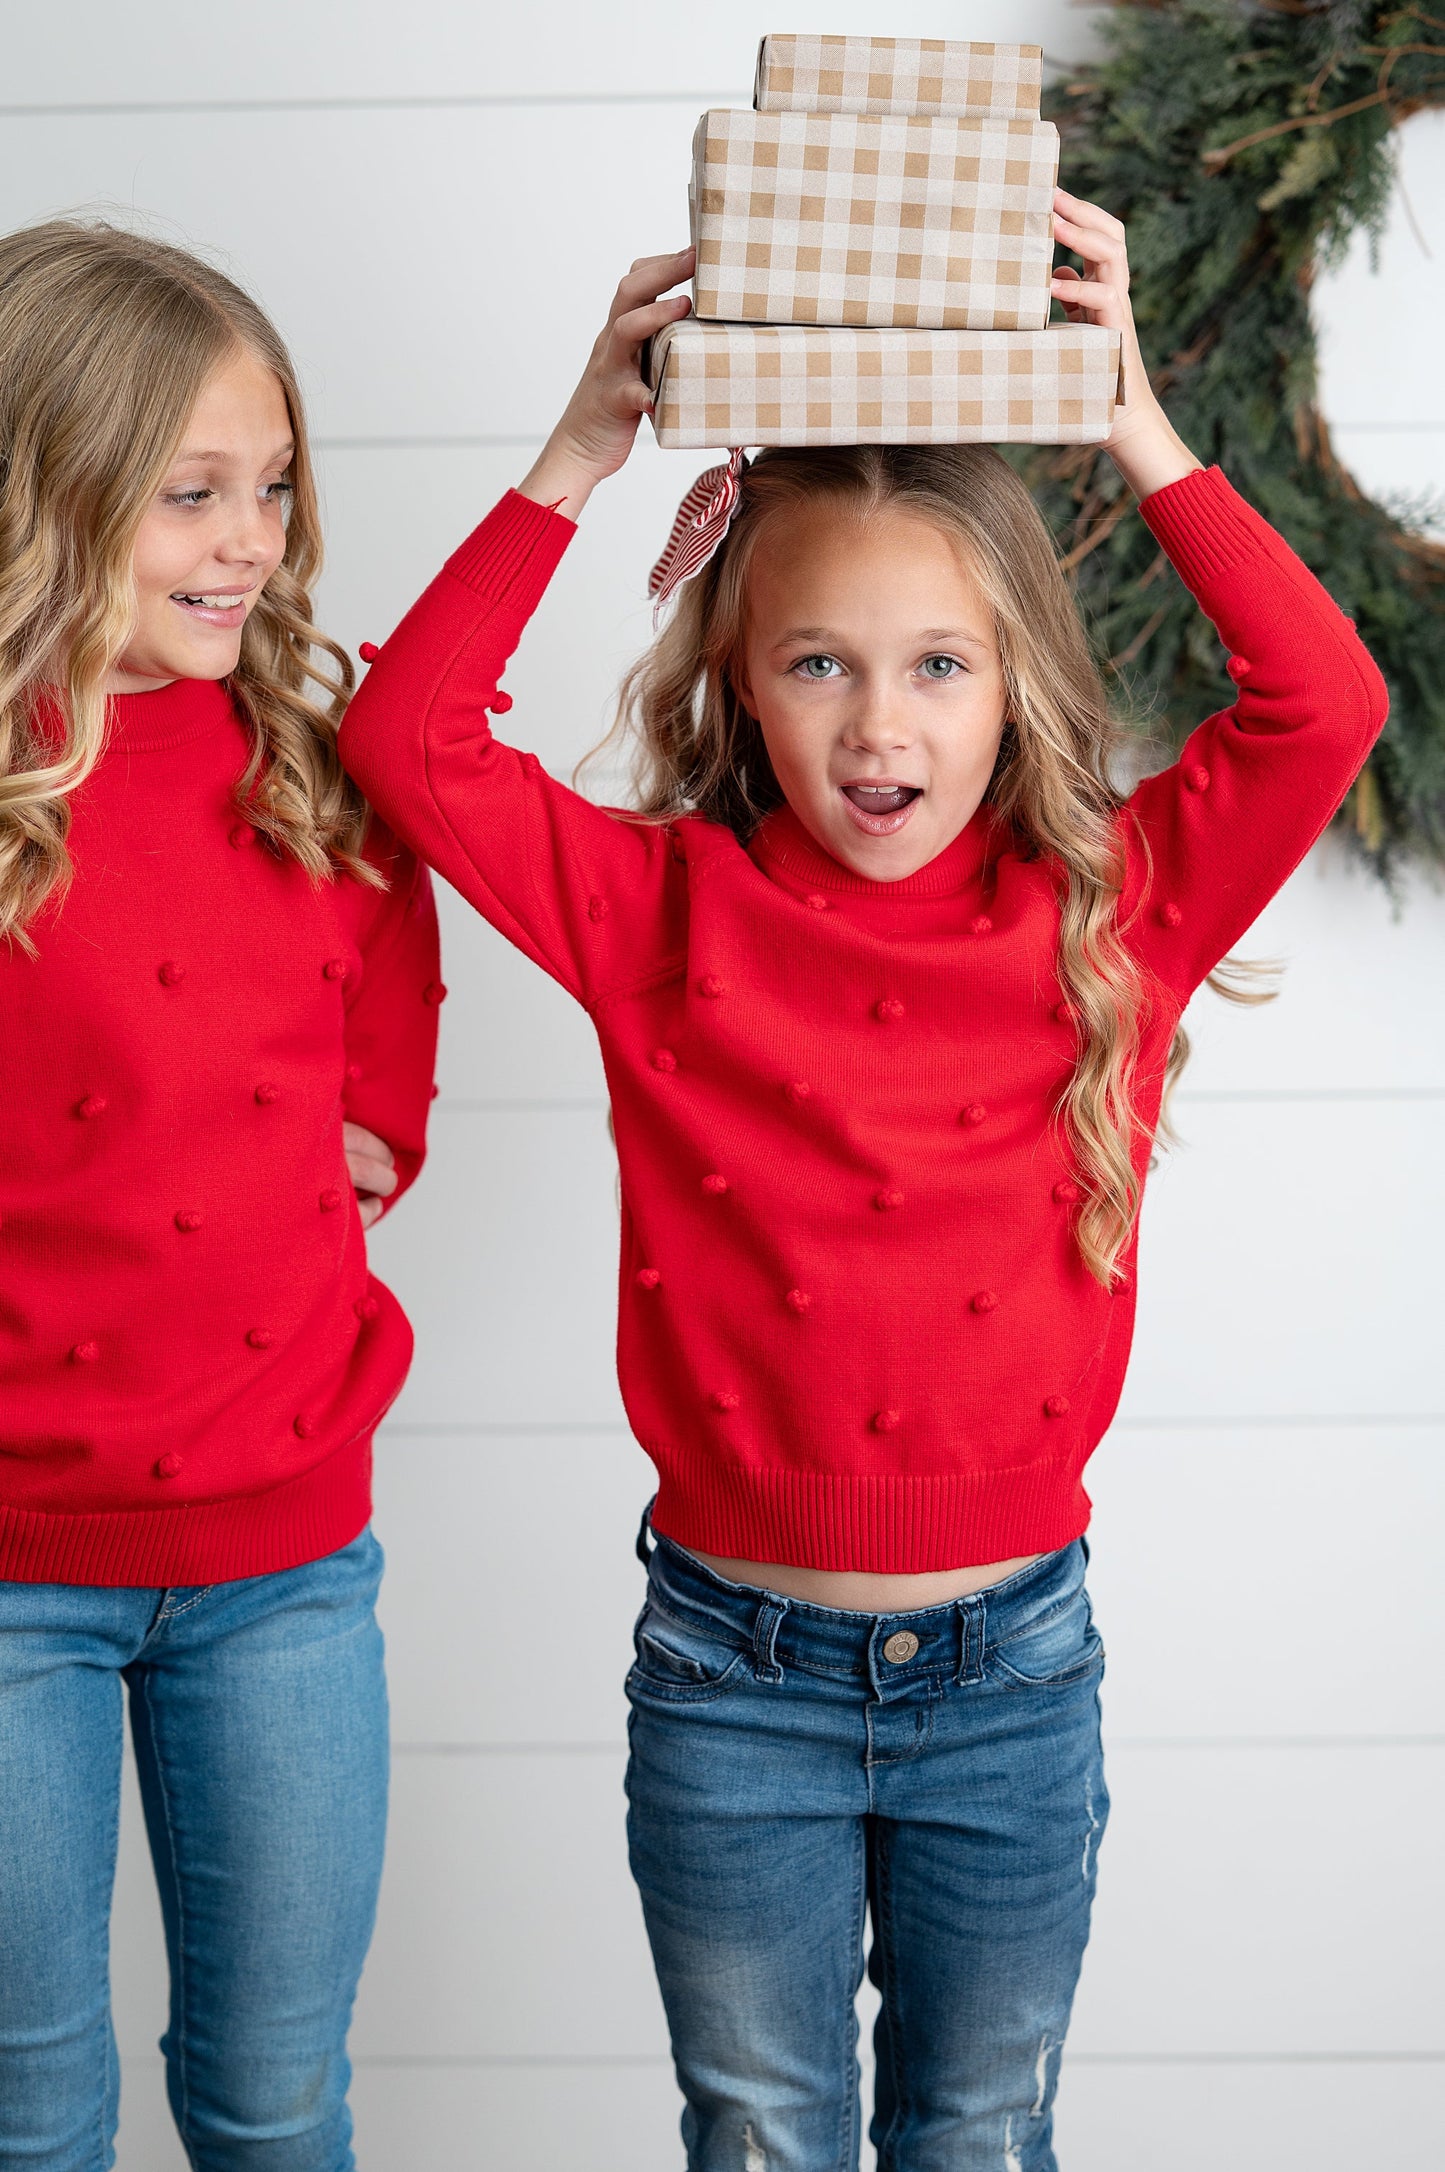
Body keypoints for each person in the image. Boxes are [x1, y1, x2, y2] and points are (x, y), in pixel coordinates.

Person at [338, 191, 1386, 2171]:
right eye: (818, 661)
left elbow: (1324, 704)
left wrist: (1134, 426)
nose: (881, 723)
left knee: (980, 2135)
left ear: (1016, 683)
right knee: (759, 2136)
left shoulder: (1111, 907)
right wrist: (578, 456)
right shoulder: (662, 914)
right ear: (738, 679)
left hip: (1016, 1678)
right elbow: (407, 736)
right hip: (730, 1680)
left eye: (938, 666)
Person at [0, 222, 439, 2170]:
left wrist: (365, 1126)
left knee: (274, 2096)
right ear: (45, 493)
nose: (250, 540)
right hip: (10, 1571)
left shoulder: (307, 763)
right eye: (191, 494)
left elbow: (382, 995)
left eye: (272, 487)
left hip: (281, 1562)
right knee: (30, 2108)